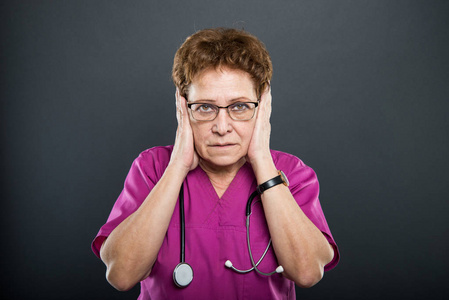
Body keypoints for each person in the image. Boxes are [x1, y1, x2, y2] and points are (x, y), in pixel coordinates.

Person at [92, 27, 339, 299]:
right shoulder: (152, 168)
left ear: (263, 105)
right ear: (183, 107)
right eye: (206, 107)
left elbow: (308, 272)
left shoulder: (292, 173)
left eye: (240, 106)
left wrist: (261, 160)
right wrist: (177, 166)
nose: (222, 127)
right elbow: (120, 274)